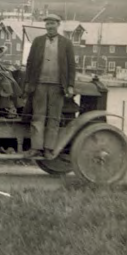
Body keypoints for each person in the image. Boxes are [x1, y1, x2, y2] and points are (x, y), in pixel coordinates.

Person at [23, 14, 76, 158]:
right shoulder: (38, 41)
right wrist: (28, 82)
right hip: (39, 85)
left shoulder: (66, 43)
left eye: (53, 23)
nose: (50, 26)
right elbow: (29, 63)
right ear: (45, 26)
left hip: (58, 86)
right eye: (47, 24)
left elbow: (72, 65)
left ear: (58, 25)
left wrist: (70, 85)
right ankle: (36, 148)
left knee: (54, 118)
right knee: (38, 116)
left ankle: (48, 148)